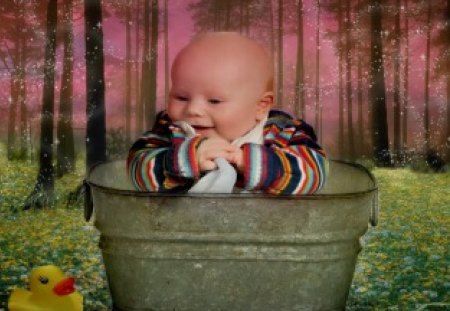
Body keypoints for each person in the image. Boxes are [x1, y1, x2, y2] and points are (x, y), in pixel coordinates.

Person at [127, 32, 328, 195]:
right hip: (186, 233)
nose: (193, 110)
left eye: (214, 101)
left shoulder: (284, 132)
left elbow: (315, 173)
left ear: (260, 106)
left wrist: (246, 161)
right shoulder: (170, 131)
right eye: (181, 97)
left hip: (266, 235)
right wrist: (185, 160)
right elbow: (137, 169)